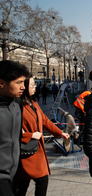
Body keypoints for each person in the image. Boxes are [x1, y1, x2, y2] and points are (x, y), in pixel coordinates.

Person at [15, 75, 69, 196]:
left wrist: (59, 132)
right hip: (26, 150)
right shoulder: (17, 105)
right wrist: (30, 135)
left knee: (32, 182)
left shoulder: (33, 102)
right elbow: (11, 128)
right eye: (32, 84)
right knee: (29, 182)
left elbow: (45, 121)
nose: (35, 87)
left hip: (37, 150)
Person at [0, 60, 30, 196]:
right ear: (1, 83)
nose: (23, 87)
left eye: (23, 82)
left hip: (14, 174)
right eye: (18, 83)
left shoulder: (17, 104)